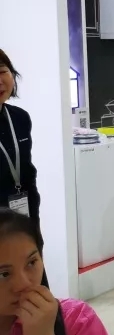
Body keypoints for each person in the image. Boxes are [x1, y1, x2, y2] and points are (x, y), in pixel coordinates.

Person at [0, 50, 39, 222]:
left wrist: (34, 229)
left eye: (2, 71)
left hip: (22, 218)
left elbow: (27, 174)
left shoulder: (19, 117)